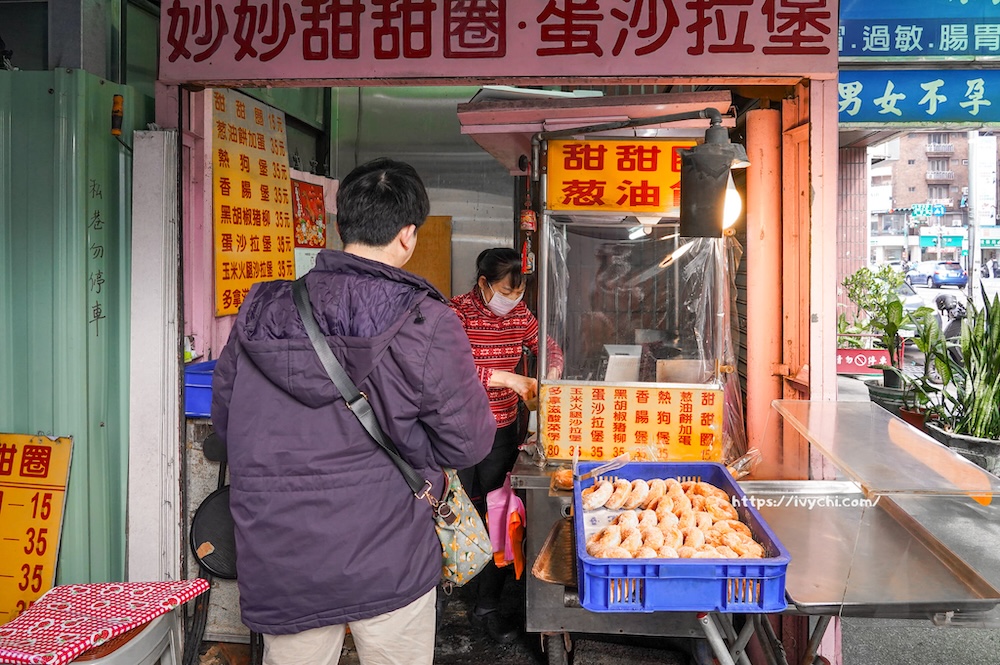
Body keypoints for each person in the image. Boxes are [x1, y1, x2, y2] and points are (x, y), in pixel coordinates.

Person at [211, 158, 496, 665]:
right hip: (388, 554)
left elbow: (227, 424)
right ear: (408, 235)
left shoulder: (260, 311)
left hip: (282, 558)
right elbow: (468, 443)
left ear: (340, 226)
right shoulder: (427, 321)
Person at [448, 247, 564, 644]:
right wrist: (508, 379)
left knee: (497, 512)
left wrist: (551, 371)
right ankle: (439, 601)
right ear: (482, 283)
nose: (512, 300)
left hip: (502, 430)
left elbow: (547, 346)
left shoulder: (518, 313)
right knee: (454, 514)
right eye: (505, 291)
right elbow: (448, 367)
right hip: (457, 430)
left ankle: (487, 605)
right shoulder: (456, 313)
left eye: (518, 293)